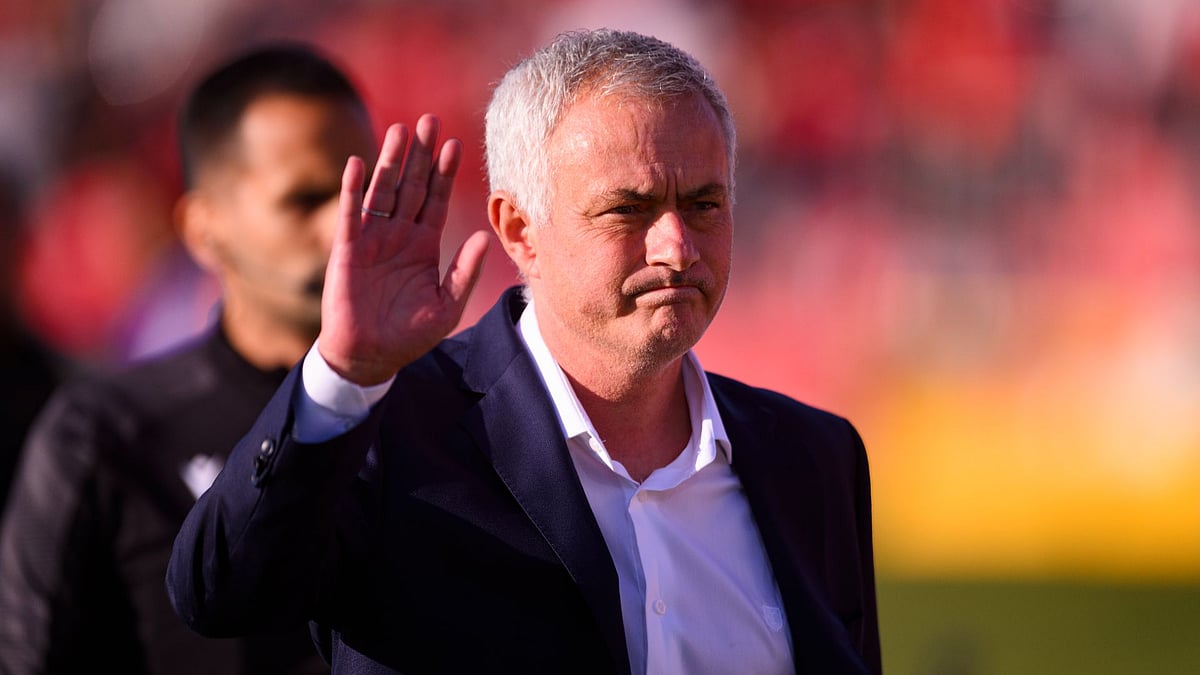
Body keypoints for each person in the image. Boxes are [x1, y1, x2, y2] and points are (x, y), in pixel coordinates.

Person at [167, 29, 882, 675]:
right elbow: (221, 595)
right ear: (519, 229)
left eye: (704, 203)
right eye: (627, 209)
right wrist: (342, 378)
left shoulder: (815, 458)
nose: (677, 246)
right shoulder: (388, 433)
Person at [0, 42, 379, 674]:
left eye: (361, 191)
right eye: (305, 199)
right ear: (204, 229)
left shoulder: (444, 409)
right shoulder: (104, 436)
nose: (342, 226)